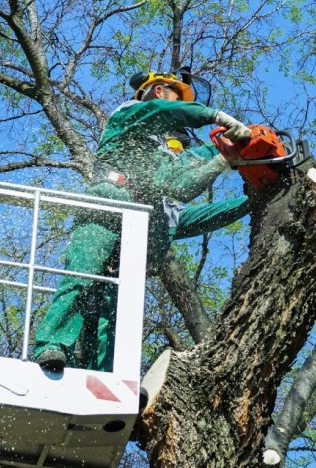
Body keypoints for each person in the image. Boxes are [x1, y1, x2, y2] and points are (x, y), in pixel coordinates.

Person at [32, 70, 252, 372]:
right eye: (178, 98)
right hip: (106, 208)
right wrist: (213, 116)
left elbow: (184, 191)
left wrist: (229, 160)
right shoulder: (129, 117)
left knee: (116, 313)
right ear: (160, 91)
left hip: (135, 235)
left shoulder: (159, 162)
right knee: (81, 278)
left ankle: (108, 376)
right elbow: (163, 113)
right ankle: (52, 345)